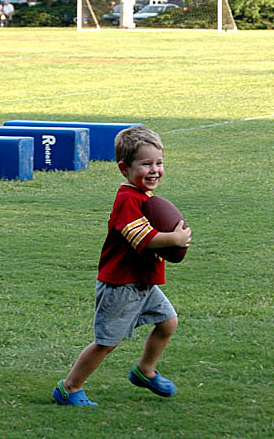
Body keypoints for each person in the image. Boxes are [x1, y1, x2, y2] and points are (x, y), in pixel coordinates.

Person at [51, 126, 191, 406]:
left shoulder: (144, 198)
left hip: (141, 282)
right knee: (107, 342)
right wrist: (174, 238)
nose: (154, 170)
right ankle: (69, 387)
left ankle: (145, 371)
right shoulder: (128, 199)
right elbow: (140, 238)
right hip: (120, 285)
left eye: (159, 163)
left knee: (168, 322)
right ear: (124, 168)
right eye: (146, 164)